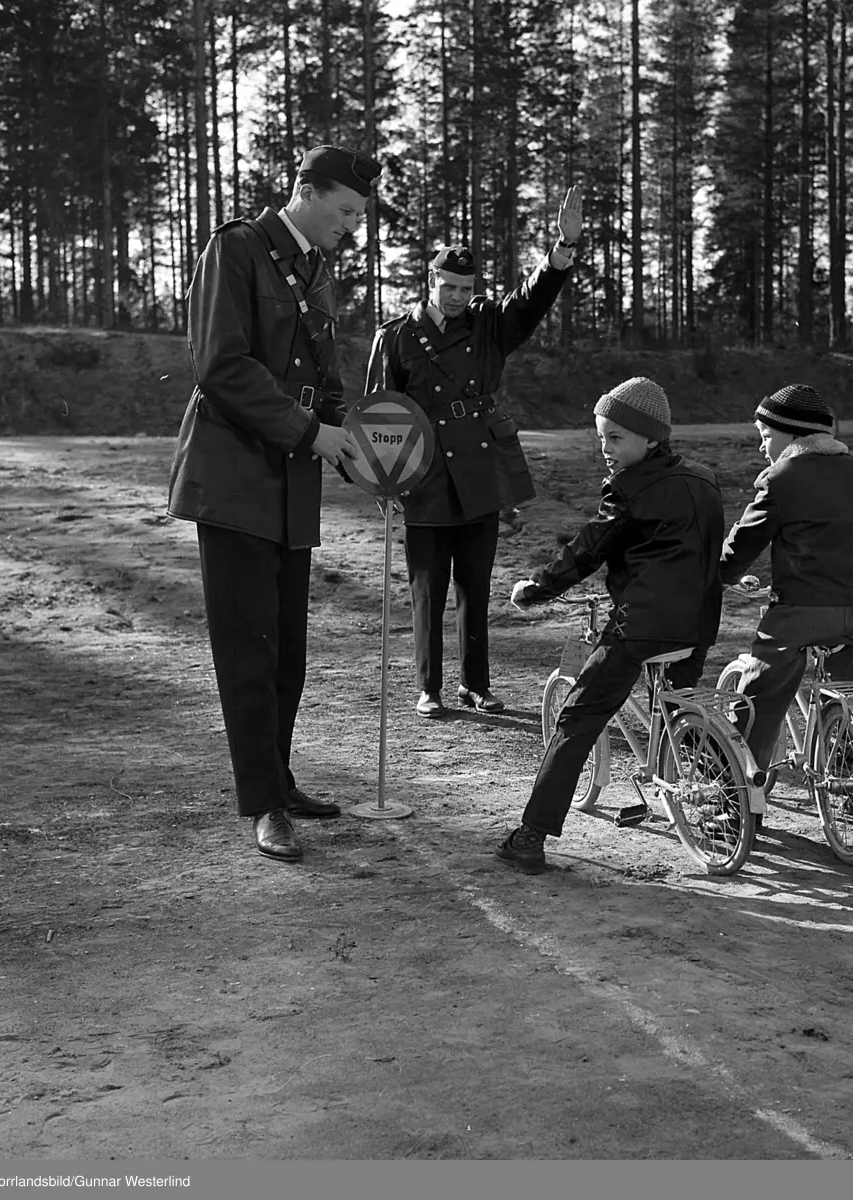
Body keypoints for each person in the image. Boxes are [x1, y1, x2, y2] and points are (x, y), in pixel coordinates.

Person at [167, 144, 383, 864]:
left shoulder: (314, 269)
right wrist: (306, 431)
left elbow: (324, 379)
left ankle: (279, 781)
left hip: (291, 484)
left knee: (287, 650)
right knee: (247, 651)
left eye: (360, 216)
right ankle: (261, 806)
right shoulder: (237, 250)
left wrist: (355, 443)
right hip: (233, 480)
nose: (353, 227)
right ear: (304, 191)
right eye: (346, 211)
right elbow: (220, 366)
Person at [364, 187, 584, 719]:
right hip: (424, 472)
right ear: (431, 281)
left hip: (480, 469)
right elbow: (376, 415)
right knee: (427, 587)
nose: (459, 295)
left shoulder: (490, 326)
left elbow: (530, 297)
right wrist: (381, 488)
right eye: (449, 286)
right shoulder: (395, 337)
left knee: (475, 586)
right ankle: (428, 688)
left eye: (467, 287)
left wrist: (560, 250)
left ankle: (476, 685)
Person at [496, 377, 725, 874]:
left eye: (616, 437)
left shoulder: (629, 489)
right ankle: (723, 811)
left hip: (638, 627)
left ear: (651, 439)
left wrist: (534, 589)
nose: (605, 448)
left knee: (577, 720)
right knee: (682, 715)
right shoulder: (705, 479)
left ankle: (530, 836)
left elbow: (586, 551)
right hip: (699, 624)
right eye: (601, 436)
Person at [719, 383, 853, 800]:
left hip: (802, 611)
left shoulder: (784, 475)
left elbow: (745, 541)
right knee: (840, 694)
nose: (762, 448)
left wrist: (720, 573)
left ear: (794, 436)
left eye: (766, 437)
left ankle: (733, 792)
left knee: (761, 694)